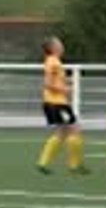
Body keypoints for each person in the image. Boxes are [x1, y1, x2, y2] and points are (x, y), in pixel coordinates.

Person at [36, 37, 88, 175]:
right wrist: (64, 90)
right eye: (59, 43)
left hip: (56, 102)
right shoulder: (53, 62)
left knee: (62, 132)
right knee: (74, 129)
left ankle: (43, 163)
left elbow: (55, 80)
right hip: (56, 103)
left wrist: (66, 82)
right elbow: (47, 83)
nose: (62, 45)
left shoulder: (54, 62)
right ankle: (73, 165)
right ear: (53, 47)